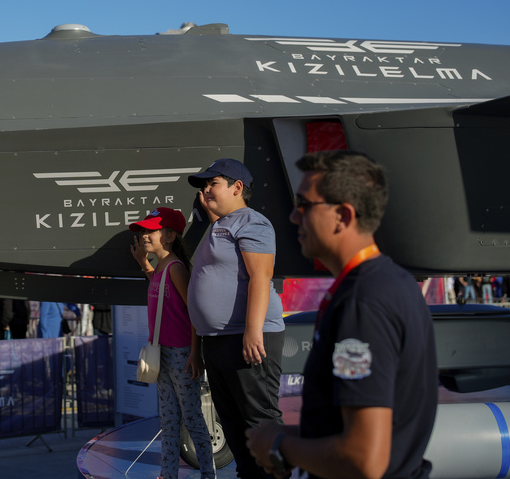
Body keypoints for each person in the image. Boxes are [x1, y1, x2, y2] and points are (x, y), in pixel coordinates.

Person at [245, 150, 437, 479]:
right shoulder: (387, 283)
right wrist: (288, 441)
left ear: (343, 216)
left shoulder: (364, 302)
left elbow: (364, 460)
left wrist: (279, 445)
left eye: (304, 205)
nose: (293, 217)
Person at [185, 158, 284, 479]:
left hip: (247, 337)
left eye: (212, 183)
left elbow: (260, 276)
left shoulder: (252, 222)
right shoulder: (219, 226)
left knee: (259, 420)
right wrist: (196, 349)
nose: (206, 190)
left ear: (237, 187)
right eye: (204, 186)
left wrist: (253, 330)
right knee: (232, 421)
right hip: (217, 341)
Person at [129, 207, 215, 479]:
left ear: (169, 236)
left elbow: (194, 313)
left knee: (191, 418)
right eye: (143, 230)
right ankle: (168, 474)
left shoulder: (176, 269)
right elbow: (157, 282)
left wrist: (194, 352)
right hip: (163, 353)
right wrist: (144, 263)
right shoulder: (160, 269)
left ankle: (208, 473)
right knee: (168, 420)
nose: (144, 236)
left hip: (180, 354)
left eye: (150, 230)